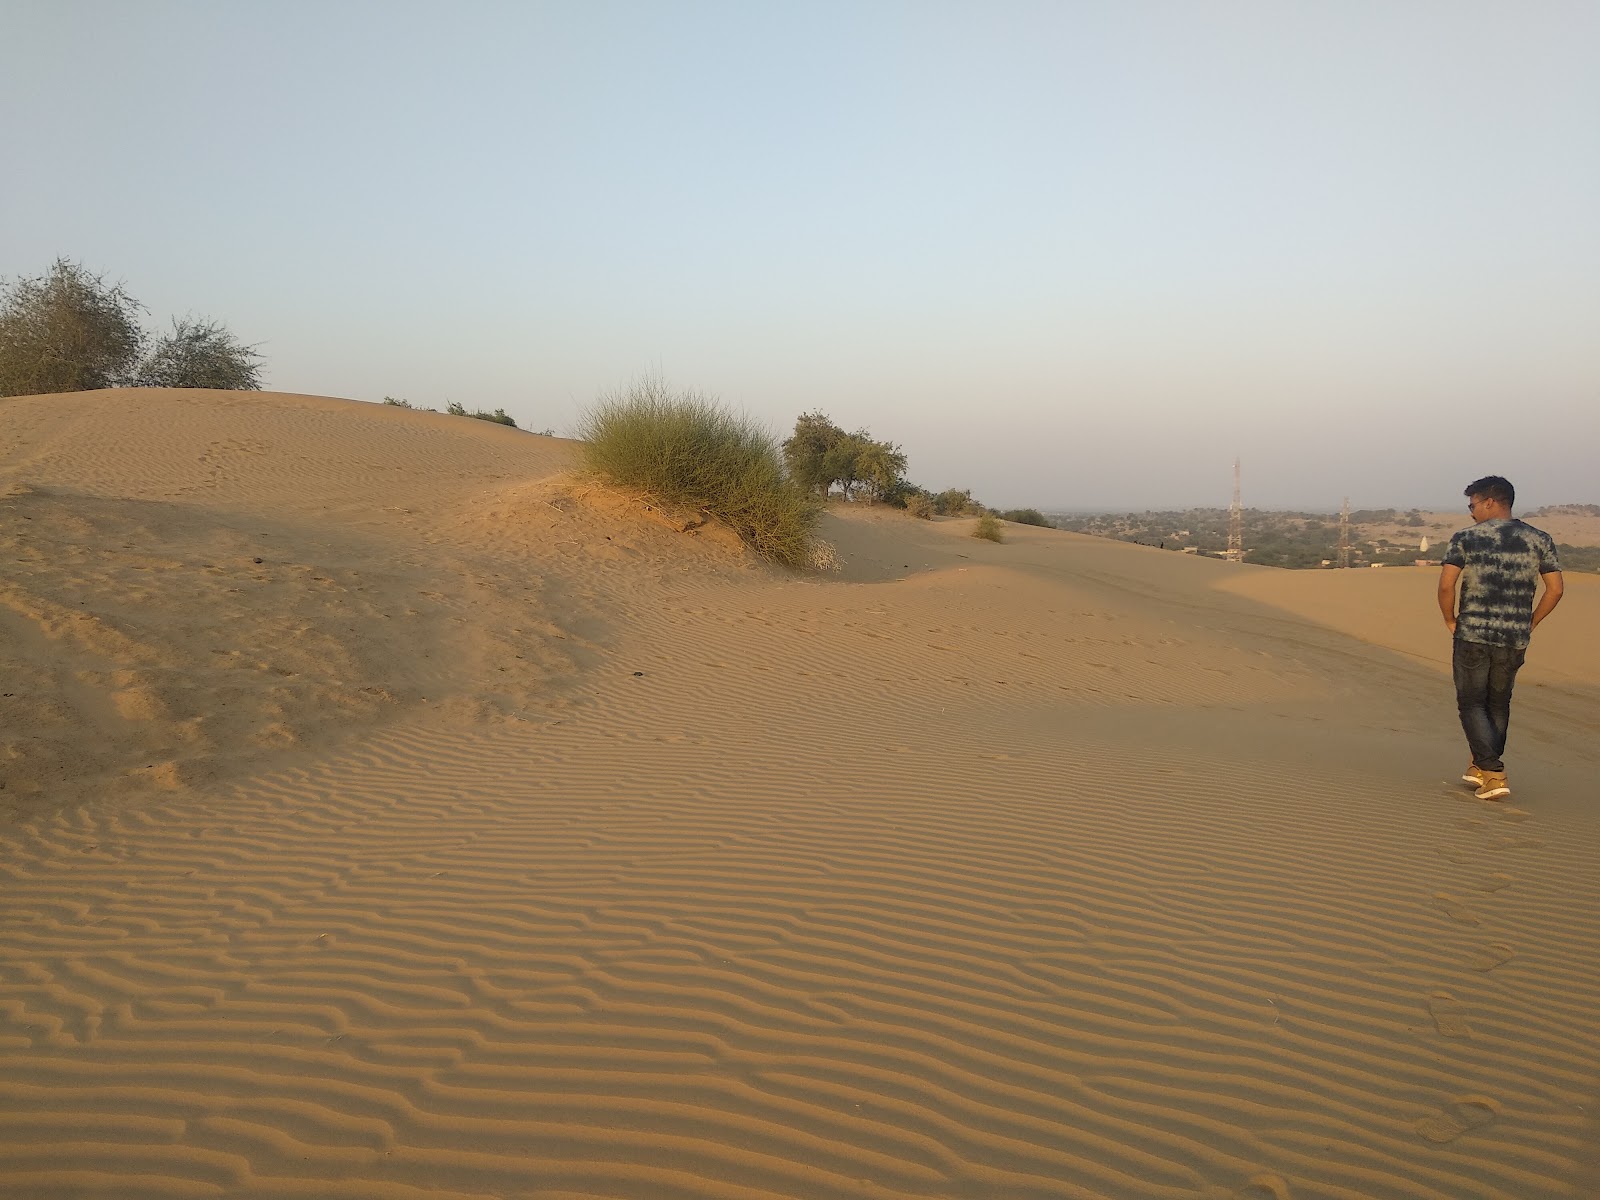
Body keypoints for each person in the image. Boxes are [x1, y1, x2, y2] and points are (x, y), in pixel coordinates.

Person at [1437, 476, 1563, 800]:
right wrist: (1530, 621)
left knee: (1471, 703)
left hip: (1473, 634)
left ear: (1490, 502)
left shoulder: (1465, 538)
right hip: (1514, 637)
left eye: (1473, 505)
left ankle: (1494, 772)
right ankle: (1479, 766)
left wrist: (1449, 618)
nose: (1471, 512)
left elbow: (1446, 585)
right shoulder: (1539, 539)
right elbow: (1556, 589)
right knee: (1498, 703)